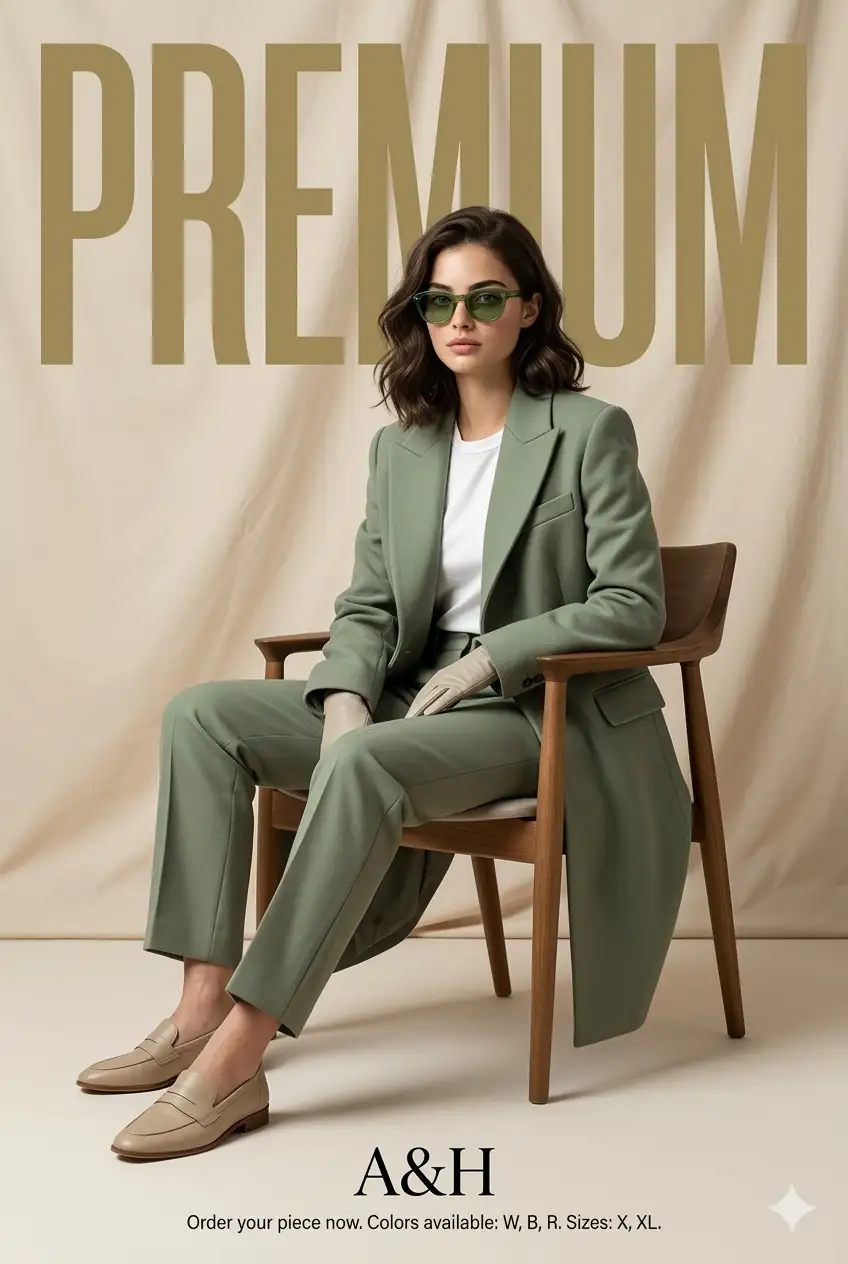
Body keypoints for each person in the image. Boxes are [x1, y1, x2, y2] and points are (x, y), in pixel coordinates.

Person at [77, 205, 692, 1161]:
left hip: (539, 708)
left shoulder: (588, 431)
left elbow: (633, 604)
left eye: (485, 297)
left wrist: (494, 655)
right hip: (413, 690)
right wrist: (345, 697)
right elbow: (368, 602)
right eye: (439, 300)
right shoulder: (402, 447)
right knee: (201, 716)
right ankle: (199, 1007)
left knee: (367, 767)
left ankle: (237, 1059)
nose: (460, 319)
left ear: (529, 308)